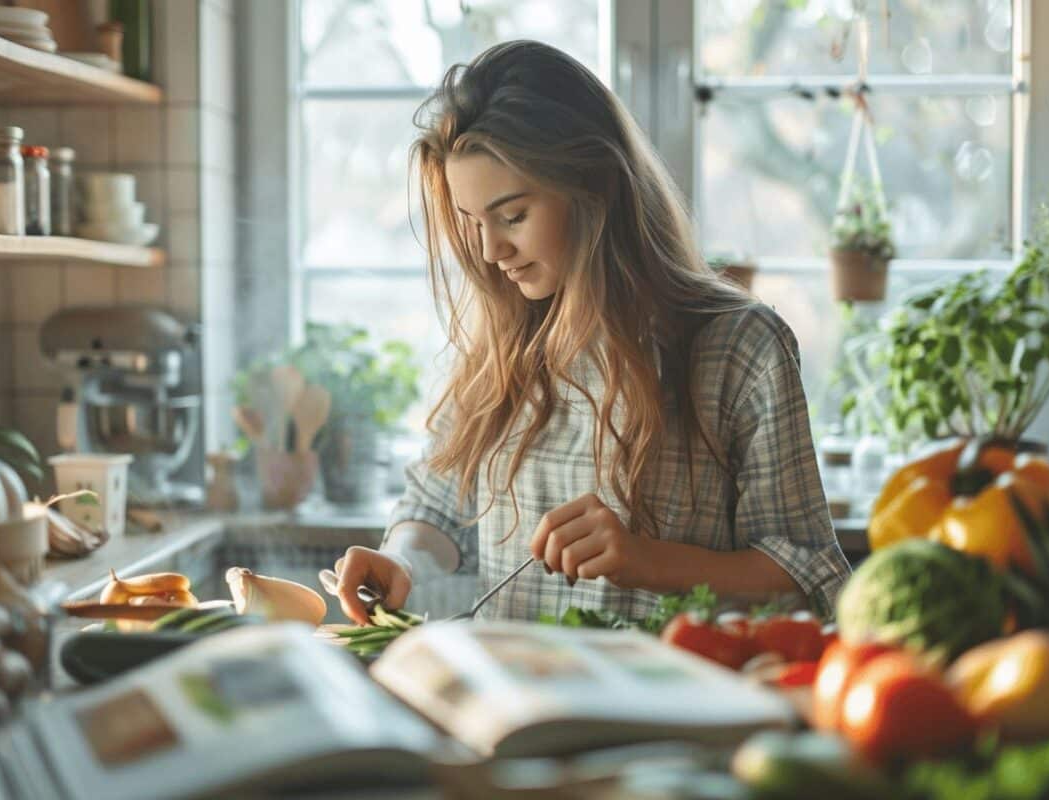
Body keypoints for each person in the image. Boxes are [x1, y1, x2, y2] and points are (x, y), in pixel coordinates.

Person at [331, 40, 850, 625]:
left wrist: (648, 561)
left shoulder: (740, 347)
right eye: (474, 222)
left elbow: (809, 581)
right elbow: (437, 508)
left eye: (513, 215)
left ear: (595, 185)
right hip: (517, 701)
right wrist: (400, 560)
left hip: (673, 703)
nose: (491, 251)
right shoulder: (500, 343)